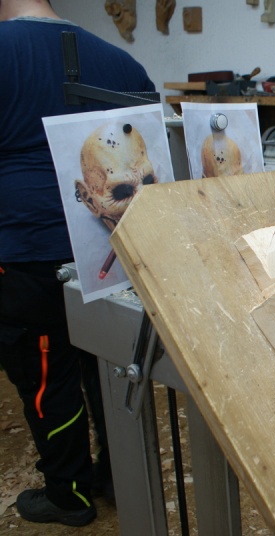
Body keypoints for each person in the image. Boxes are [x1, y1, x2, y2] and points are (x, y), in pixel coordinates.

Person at [0, 0, 155, 527]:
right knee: (108, 361)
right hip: (113, 252)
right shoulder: (122, 63)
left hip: (30, 252)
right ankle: (119, 476)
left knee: (47, 373)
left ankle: (69, 494)